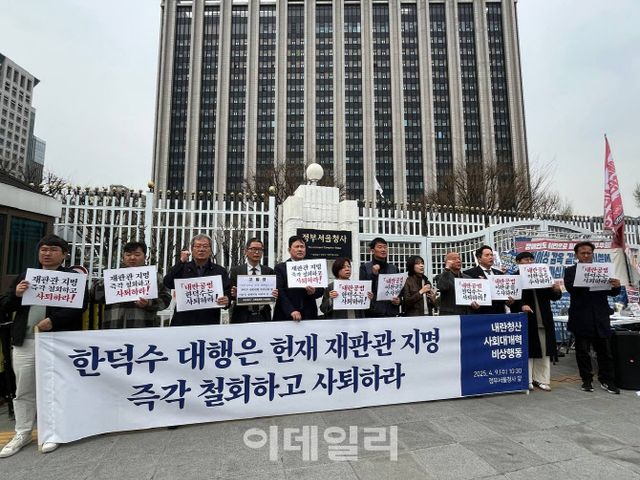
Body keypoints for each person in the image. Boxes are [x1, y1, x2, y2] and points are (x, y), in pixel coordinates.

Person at [0, 234, 87, 458]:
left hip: (56, 341)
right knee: (24, 389)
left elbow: (79, 306)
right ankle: (22, 432)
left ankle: (53, 431)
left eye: (53, 250)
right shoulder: (26, 276)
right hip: (25, 341)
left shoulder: (71, 278)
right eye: (43, 249)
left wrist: (54, 321)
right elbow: (5, 305)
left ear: (64, 255)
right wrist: (17, 295)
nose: (47, 253)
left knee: (55, 387)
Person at [563, 241, 621, 394]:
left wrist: (616, 286)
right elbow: (570, 288)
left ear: (592, 254)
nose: (586, 255)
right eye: (583, 253)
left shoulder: (602, 270)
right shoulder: (571, 271)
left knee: (605, 351)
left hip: (600, 316)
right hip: (581, 317)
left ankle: (607, 380)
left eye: (589, 253)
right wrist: (585, 279)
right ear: (576, 255)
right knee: (582, 351)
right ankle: (586, 380)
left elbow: (612, 292)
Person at [512, 251, 563, 391]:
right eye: (525, 259)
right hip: (526, 318)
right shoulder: (515, 277)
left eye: (531, 259)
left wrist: (556, 290)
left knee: (544, 350)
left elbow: (554, 297)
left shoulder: (542, 274)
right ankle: (527, 379)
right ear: (518, 262)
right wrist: (521, 305)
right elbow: (512, 298)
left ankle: (541, 379)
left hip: (543, 318)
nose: (529, 262)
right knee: (528, 350)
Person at [91, 241, 171, 329]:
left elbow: (166, 299)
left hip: (143, 327)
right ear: (123, 257)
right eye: (128, 255)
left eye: (137, 255)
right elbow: (94, 296)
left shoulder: (154, 277)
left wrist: (149, 303)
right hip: (113, 326)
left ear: (145, 257)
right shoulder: (114, 276)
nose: (132, 258)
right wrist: (107, 283)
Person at [163, 234, 230, 326]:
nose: (201, 249)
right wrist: (181, 262)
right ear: (192, 249)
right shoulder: (182, 268)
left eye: (205, 246)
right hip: (182, 321)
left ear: (210, 250)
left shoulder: (219, 271)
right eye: (198, 246)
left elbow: (227, 292)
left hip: (209, 321)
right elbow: (168, 282)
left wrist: (227, 300)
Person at [273, 235, 324, 321]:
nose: (300, 249)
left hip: (309, 314)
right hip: (286, 315)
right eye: (297, 247)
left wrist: (314, 291)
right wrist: (291, 310)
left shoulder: (312, 267)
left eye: (302, 247)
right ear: (289, 250)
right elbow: (280, 292)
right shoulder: (280, 268)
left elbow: (321, 290)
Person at [229, 237, 277, 323]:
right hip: (241, 316)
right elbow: (230, 295)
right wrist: (234, 294)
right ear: (246, 251)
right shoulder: (236, 271)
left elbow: (273, 293)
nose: (257, 252)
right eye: (253, 249)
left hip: (263, 315)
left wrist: (275, 294)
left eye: (260, 249)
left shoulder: (269, 271)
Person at [464, 245, 514, 314]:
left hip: (499, 313)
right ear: (479, 258)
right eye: (487, 255)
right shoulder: (469, 273)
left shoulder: (499, 273)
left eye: (491, 255)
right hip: (480, 313)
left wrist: (508, 302)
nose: (490, 257)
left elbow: (503, 294)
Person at [359, 237, 401, 318]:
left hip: (391, 312)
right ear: (372, 251)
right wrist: (374, 275)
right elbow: (364, 290)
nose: (383, 250)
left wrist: (399, 301)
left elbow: (399, 289)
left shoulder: (394, 268)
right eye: (380, 247)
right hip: (373, 312)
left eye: (385, 247)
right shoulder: (365, 267)